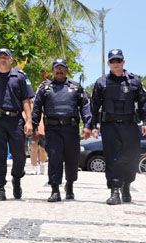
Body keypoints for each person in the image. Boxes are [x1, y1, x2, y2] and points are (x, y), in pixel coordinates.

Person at [91, 49, 146, 205]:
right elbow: (94, 106)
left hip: (129, 125)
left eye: (118, 60)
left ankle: (127, 185)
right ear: (108, 63)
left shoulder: (134, 81)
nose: (116, 64)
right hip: (109, 125)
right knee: (112, 157)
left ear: (124, 62)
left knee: (131, 156)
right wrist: (92, 125)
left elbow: (144, 102)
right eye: (112, 61)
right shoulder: (101, 82)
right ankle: (114, 191)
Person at [33, 59, 92, 202]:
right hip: (52, 129)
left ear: (67, 70)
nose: (59, 71)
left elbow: (85, 106)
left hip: (71, 129)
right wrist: (34, 125)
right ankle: (55, 190)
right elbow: (36, 107)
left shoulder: (76, 87)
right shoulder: (45, 88)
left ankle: (70, 186)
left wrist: (87, 124)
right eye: (56, 68)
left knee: (72, 159)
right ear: (53, 70)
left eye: (62, 68)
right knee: (54, 158)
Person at [0, 48, 35, 201]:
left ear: (11, 60)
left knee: (20, 156)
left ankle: (16, 179)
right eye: (0, 57)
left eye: (6, 57)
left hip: (16, 121)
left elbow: (26, 101)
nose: (3, 59)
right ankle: (0, 188)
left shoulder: (20, 77)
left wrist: (29, 121)